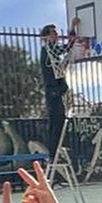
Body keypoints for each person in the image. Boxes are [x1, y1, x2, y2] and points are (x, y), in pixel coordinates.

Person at [40, 22, 73, 156]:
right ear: (46, 37)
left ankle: (55, 149)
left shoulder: (51, 51)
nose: (57, 36)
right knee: (56, 120)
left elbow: (64, 50)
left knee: (60, 119)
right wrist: (72, 30)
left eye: (56, 33)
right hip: (53, 91)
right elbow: (63, 49)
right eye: (53, 33)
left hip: (56, 90)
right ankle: (53, 152)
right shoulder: (47, 50)